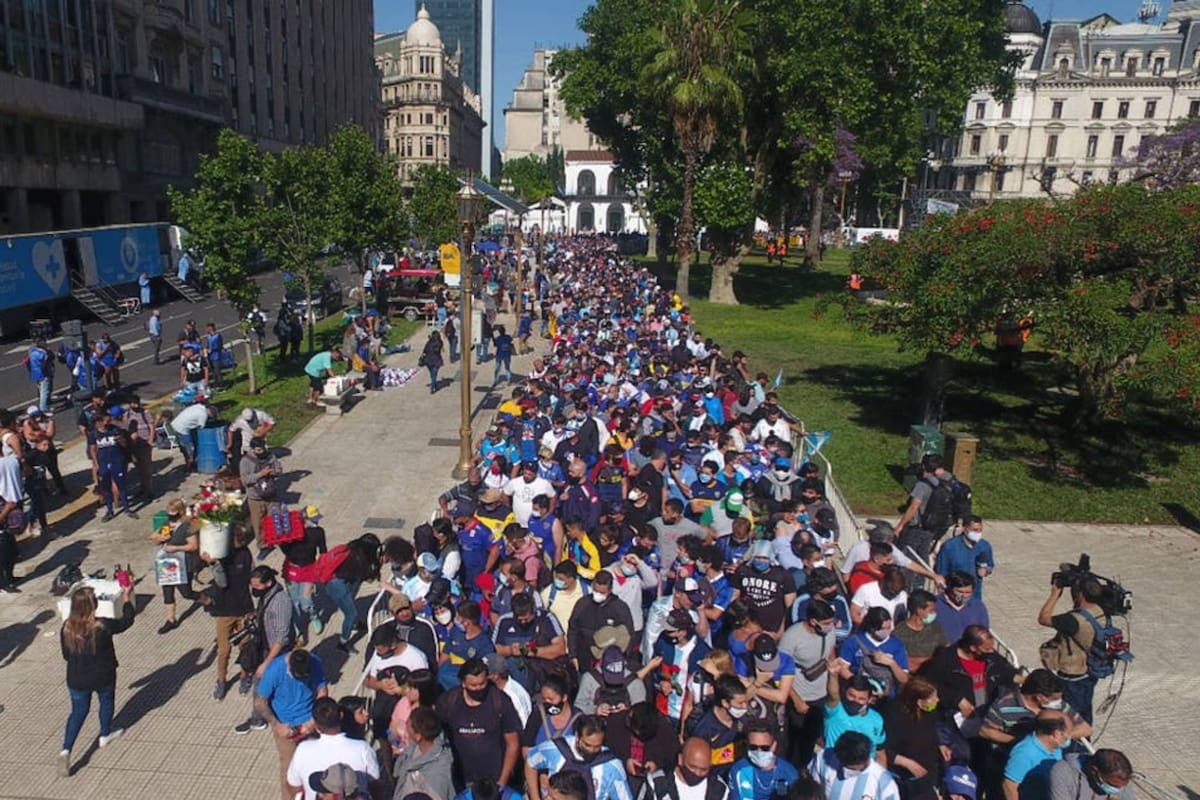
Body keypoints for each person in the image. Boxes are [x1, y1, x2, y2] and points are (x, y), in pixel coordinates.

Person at [58, 582, 136, 777]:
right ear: (93, 606)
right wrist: (127, 598)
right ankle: (104, 734)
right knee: (106, 702)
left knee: (77, 712)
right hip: (103, 675)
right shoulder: (102, 626)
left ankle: (66, 749)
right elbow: (127, 621)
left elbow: (66, 656)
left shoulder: (66, 628)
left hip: (77, 677)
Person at [1036, 573, 1116, 725]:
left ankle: (1074, 745)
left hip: (1072, 678)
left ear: (1079, 594)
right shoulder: (1102, 611)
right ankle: (1085, 741)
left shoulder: (1073, 620)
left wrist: (1055, 594)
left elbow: (1043, 618)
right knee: (1085, 715)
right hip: (1089, 673)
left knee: (1070, 720)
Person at [254, 649, 330, 800]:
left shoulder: (315, 662)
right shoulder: (275, 670)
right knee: (288, 770)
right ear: (289, 666)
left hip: (310, 721)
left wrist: (314, 720)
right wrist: (277, 725)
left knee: (319, 763)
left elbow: (322, 690)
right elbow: (260, 702)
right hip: (285, 724)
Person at [435, 657, 522, 787]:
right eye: (473, 685)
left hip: (493, 779)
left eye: (482, 684)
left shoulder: (500, 701)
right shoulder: (449, 701)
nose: (478, 689)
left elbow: (513, 743)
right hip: (461, 779)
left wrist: (502, 782)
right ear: (463, 683)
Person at [285, 697, 384, 800]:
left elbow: (293, 786)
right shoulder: (362, 748)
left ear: (315, 723)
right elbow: (376, 785)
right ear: (341, 715)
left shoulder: (303, 749)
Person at [236, 566, 296, 732]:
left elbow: (281, 638)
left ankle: (258, 719)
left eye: (257, 587)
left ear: (268, 583)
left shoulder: (280, 602)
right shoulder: (268, 596)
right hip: (267, 647)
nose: (254, 590)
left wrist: (266, 663)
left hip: (276, 652)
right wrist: (256, 614)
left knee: (260, 683)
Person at [525, 714, 633, 800]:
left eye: (597, 746)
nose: (591, 750)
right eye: (587, 745)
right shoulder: (555, 749)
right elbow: (530, 762)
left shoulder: (612, 766)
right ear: (577, 736)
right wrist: (535, 797)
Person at [203, 522, 255, 700]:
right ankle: (221, 680)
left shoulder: (246, 554)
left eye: (243, 538)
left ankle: (244, 676)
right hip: (225, 610)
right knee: (223, 650)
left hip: (244, 608)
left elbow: (251, 577)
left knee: (245, 647)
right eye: (238, 538)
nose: (241, 541)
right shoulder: (221, 556)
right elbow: (222, 583)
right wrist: (214, 565)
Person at [884, 677, 943, 800]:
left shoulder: (930, 714)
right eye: (933, 698)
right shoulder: (894, 718)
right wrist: (907, 763)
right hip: (904, 780)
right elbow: (883, 750)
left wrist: (940, 745)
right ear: (919, 702)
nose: (937, 700)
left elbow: (930, 733)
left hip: (927, 777)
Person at [808, 731, 901, 800]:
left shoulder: (884, 782)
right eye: (845, 766)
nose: (847, 772)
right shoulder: (824, 758)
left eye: (854, 769)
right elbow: (811, 789)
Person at [1002, 711, 1071, 800]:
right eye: (1066, 735)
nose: (1068, 738)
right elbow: (1009, 785)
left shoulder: (1056, 747)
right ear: (1056, 734)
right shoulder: (1024, 753)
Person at [392, 705, 455, 800]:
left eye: (408, 725)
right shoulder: (411, 752)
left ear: (418, 736)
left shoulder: (439, 772)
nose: (406, 728)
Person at [727, 720, 799, 800]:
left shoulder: (789, 773)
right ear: (747, 745)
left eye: (765, 748)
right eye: (753, 747)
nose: (759, 752)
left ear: (774, 745)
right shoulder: (738, 770)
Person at [642, 737, 731, 800]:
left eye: (703, 770)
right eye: (692, 767)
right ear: (680, 759)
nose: (697, 773)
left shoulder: (719, 789)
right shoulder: (656, 782)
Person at [88, 407, 136, 522]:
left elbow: (125, 446)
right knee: (106, 487)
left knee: (121, 486)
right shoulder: (94, 434)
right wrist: (96, 464)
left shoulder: (115, 430)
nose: (108, 420)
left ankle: (127, 509)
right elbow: (93, 450)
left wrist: (121, 440)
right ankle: (109, 510)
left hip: (117, 461)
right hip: (104, 463)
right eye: (105, 418)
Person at [241, 436, 283, 557]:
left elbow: (279, 469)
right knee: (258, 523)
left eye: (263, 449)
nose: (262, 452)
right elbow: (245, 480)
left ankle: (277, 539)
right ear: (253, 449)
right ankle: (263, 545)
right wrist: (260, 474)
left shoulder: (270, 456)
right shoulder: (245, 461)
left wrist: (274, 472)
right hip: (256, 498)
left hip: (271, 494)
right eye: (259, 450)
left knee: (276, 518)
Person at [935, 515, 994, 598]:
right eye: (975, 530)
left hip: (975, 594)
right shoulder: (950, 547)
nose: (978, 533)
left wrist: (986, 570)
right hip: (954, 594)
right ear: (964, 529)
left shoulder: (984, 546)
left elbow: (989, 564)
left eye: (980, 530)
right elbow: (941, 572)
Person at [892, 591, 948, 673]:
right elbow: (902, 661)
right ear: (919, 610)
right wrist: (930, 660)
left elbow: (946, 653)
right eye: (931, 610)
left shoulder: (936, 628)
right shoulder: (899, 633)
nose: (934, 613)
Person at [1049, 748, 1135, 800]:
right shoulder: (1063, 772)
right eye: (1112, 785)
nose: (1118, 790)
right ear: (1094, 771)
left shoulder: (1121, 776)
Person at [935, 571, 990, 644]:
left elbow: (984, 630)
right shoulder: (934, 604)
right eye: (960, 592)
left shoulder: (977, 606)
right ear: (950, 589)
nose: (964, 596)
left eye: (968, 593)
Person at [168, 400, 216, 472]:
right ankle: (190, 466)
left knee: (184, 447)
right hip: (182, 429)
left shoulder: (200, 406)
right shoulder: (203, 415)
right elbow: (201, 429)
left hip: (176, 423)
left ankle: (188, 463)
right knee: (190, 448)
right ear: (211, 414)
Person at [125, 396, 156, 500]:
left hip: (145, 444)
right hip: (134, 445)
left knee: (146, 468)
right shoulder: (127, 414)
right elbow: (126, 428)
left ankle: (149, 490)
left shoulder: (145, 413)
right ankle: (143, 488)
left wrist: (150, 441)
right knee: (139, 468)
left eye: (136, 403)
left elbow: (152, 427)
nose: (135, 405)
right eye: (132, 403)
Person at [27, 336, 54, 413]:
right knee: (44, 392)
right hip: (43, 374)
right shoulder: (42, 353)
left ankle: (45, 407)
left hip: (36, 374)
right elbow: (45, 363)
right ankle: (43, 409)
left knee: (41, 390)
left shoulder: (33, 352)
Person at [422, 329, 445, 394]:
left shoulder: (429, 343)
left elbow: (424, 350)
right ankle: (433, 387)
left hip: (428, 361)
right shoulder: (440, 342)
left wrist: (430, 340)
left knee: (432, 374)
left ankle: (434, 385)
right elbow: (438, 350)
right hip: (436, 361)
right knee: (434, 375)